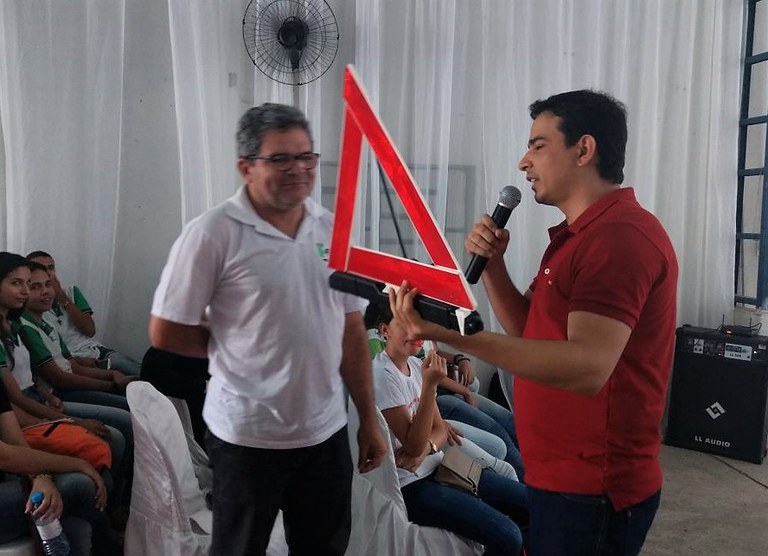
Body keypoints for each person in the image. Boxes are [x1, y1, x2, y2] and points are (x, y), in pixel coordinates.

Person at [389, 90, 678, 556]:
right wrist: (494, 268)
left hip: (592, 485)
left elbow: (587, 367)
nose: (524, 161)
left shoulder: (619, 237)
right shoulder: (577, 237)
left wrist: (452, 334)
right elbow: (529, 333)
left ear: (584, 149)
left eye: (538, 145)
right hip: (558, 474)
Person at [149, 102, 387, 556]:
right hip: (246, 436)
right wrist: (233, 347)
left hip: (324, 432)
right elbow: (165, 330)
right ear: (247, 167)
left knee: (324, 548)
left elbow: (351, 328)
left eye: (306, 157)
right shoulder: (213, 233)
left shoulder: (331, 228)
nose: (298, 169)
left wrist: (368, 421)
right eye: (280, 158)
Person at [371, 299, 528, 555]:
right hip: (412, 484)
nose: (415, 332)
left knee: (530, 500)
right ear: (385, 330)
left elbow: (440, 430)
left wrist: (425, 449)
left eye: (419, 324)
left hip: (440, 464)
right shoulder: (381, 375)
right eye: (405, 324)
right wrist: (430, 386)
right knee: (509, 536)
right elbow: (413, 444)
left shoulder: (415, 366)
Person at [0, 252, 119, 554]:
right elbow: (7, 453)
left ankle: (109, 529)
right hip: (10, 460)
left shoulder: (15, 326)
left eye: (29, 283)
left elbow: (12, 432)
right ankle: (110, 539)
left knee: (74, 512)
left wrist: (39, 476)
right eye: (19, 283)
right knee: (77, 484)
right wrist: (72, 462)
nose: (27, 291)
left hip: (25, 426)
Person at [26, 251, 142, 376]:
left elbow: (90, 330)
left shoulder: (71, 292)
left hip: (94, 351)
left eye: (51, 268)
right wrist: (76, 360)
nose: (48, 273)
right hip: (69, 360)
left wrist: (62, 297)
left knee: (136, 370)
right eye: (42, 268)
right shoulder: (32, 304)